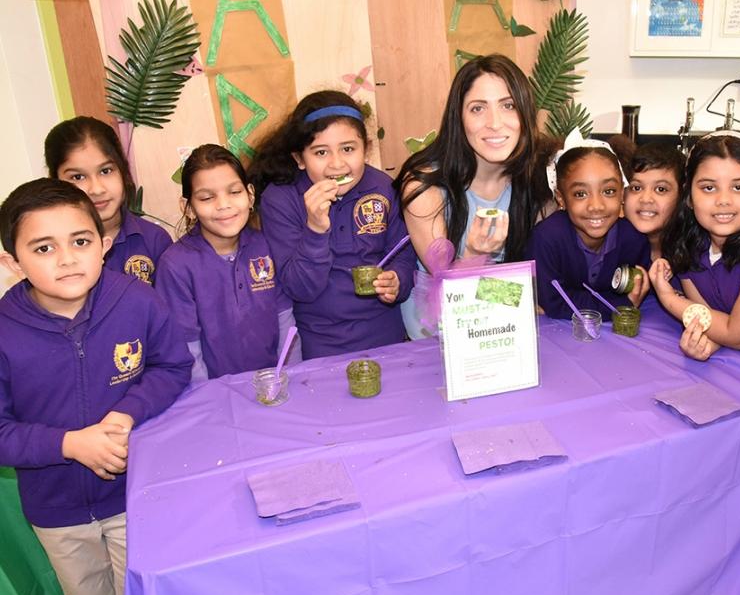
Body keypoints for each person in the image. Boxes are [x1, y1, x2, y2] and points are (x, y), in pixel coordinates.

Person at [0, 179, 191, 595]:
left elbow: (172, 366)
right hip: (55, 504)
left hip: (134, 489)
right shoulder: (3, 330)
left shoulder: (136, 300)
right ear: (13, 261)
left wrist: (128, 412)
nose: (66, 259)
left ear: (104, 243)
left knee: (141, 587)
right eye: (44, 248)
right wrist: (68, 444)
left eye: (80, 241)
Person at [249, 91, 415, 359]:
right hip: (319, 344)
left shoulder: (383, 187)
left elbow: (404, 255)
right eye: (321, 152)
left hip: (387, 338)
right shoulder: (280, 199)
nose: (337, 164)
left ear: (367, 150)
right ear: (300, 159)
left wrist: (398, 280)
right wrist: (315, 229)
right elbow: (300, 289)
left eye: (348, 149)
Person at [395, 54, 546, 337]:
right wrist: (477, 254)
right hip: (437, 334)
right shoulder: (423, 186)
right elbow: (450, 288)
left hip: (507, 328)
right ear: (459, 117)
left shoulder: (536, 181)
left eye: (508, 105)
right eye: (478, 109)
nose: (495, 123)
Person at [648, 130, 740, 360]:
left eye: (739, 187)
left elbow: (739, 335)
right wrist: (710, 340)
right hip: (727, 356)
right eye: (708, 187)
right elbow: (707, 315)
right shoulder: (685, 239)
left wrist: (668, 298)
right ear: (688, 195)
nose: (723, 201)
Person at [155, 145, 299, 381]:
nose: (224, 205)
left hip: (273, 386)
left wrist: (290, 378)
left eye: (234, 192)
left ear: (250, 195)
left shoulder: (265, 245)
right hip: (216, 396)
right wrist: (209, 400)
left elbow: (285, 322)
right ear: (188, 208)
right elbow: (187, 350)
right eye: (207, 197)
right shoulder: (176, 266)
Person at [527, 133, 650, 319]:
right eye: (580, 194)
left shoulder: (634, 239)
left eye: (608, 191)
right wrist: (621, 305)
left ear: (622, 195)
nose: (596, 206)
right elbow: (552, 302)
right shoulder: (546, 239)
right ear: (561, 199)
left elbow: (637, 291)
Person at [45, 116, 172, 285]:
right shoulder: (47, 251)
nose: (97, 189)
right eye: (78, 176)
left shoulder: (154, 240)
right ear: (55, 182)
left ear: (123, 171)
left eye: (105, 171)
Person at [618, 140, 684, 262]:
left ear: (681, 196)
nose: (646, 199)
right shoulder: (607, 245)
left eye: (660, 189)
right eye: (636, 188)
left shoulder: (695, 256)